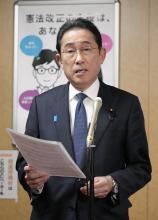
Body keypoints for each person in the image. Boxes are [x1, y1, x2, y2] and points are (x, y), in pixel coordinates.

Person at [16, 18, 152, 220]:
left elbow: (141, 168)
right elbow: (24, 162)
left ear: (102, 55)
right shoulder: (41, 104)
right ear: (60, 60)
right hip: (52, 213)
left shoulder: (127, 104)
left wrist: (113, 182)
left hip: (105, 214)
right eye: (70, 51)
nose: (79, 58)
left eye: (86, 49)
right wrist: (34, 181)